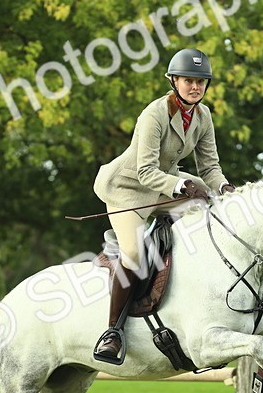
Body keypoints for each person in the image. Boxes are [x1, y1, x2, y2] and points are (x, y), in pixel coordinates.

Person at [91, 48, 234, 364]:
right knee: (132, 253)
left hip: (164, 186)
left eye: (201, 82)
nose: (195, 87)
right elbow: (145, 171)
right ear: (174, 81)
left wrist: (222, 188)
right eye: (188, 81)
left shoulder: (203, 115)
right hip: (128, 189)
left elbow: (209, 166)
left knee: (208, 204)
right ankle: (112, 332)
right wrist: (182, 185)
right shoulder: (154, 114)